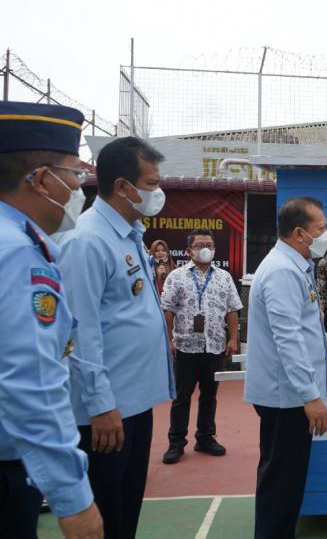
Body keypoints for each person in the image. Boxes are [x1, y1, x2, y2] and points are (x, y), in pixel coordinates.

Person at [58, 136, 175, 539]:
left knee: (125, 514)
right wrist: (100, 404)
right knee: (106, 516)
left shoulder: (128, 234)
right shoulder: (88, 241)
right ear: (123, 187)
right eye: (151, 184)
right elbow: (80, 329)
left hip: (133, 403)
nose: (157, 192)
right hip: (105, 414)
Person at [0, 101, 104, 539]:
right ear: (42, 180)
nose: (78, 188)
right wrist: (72, 497)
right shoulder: (21, 253)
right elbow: (30, 380)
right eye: (74, 175)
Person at [244, 197, 327, 539]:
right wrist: (311, 397)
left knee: (285, 479)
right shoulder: (281, 271)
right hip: (287, 397)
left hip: (289, 395)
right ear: (299, 233)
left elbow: (303, 326)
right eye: (320, 229)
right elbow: (287, 338)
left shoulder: (295, 264)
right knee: (282, 481)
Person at [160, 230, 243, 463]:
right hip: (185, 346)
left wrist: (233, 339)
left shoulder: (224, 277)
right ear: (189, 251)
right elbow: (167, 310)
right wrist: (168, 340)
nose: (205, 248)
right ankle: (176, 443)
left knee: (209, 396)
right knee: (182, 397)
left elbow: (232, 310)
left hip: (215, 345)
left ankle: (205, 438)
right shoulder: (176, 276)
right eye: (200, 245)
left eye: (209, 244)